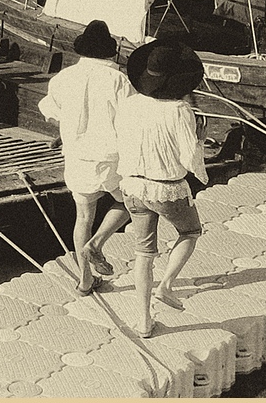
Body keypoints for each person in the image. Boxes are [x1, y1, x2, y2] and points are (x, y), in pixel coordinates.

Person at [117, 39, 208, 338]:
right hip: (165, 188)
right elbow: (188, 158)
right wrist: (201, 140)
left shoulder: (128, 105)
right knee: (190, 232)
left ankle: (143, 322)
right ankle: (166, 285)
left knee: (144, 253)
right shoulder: (180, 110)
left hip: (131, 185)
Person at [36, 20, 133, 294]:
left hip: (77, 156)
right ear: (110, 53)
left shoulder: (63, 78)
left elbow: (51, 110)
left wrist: (65, 130)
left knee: (83, 218)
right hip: (110, 157)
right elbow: (129, 119)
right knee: (133, 205)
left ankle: (85, 280)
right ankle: (97, 244)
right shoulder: (119, 80)